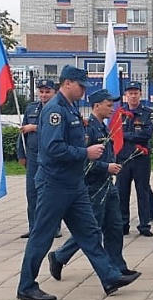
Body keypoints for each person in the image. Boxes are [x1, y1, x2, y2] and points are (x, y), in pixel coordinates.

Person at [17, 65, 140, 300]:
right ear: (68, 83)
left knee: (90, 232)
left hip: (73, 184)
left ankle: (109, 276)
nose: (84, 90)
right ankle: (26, 285)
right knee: (41, 236)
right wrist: (86, 153)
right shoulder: (55, 110)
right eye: (81, 85)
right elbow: (53, 148)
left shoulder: (70, 108)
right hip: (54, 183)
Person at [47, 89, 140, 280]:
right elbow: (83, 159)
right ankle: (59, 256)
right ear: (96, 106)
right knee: (91, 230)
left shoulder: (104, 127)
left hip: (107, 184)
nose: (112, 108)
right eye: (108, 105)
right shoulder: (87, 129)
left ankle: (117, 266)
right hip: (93, 185)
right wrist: (106, 167)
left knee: (114, 226)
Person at [17, 78, 60, 239]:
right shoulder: (31, 108)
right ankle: (34, 226)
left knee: (50, 193)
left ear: (54, 92)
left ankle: (53, 227)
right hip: (33, 156)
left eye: (47, 91)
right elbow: (23, 132)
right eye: (41, 92)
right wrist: (21, 154)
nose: (43, 95)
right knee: (32, 193)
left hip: (50, 157)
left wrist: (34, 127)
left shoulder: (58, 109)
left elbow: (56, 129)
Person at [116, 81, 153, 237]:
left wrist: (126, 136)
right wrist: (131, 137)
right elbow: (114, 134)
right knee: (122, 192)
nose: (133, 96)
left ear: (140, 94)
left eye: (136, 93)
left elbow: (146, 135)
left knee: (143, 192)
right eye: (130, 93)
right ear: (126, 96)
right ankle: (123, 224)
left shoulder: (147, 113)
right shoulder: (119, 113)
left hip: (141, 158)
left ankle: (144, 225)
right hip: (123, 158)